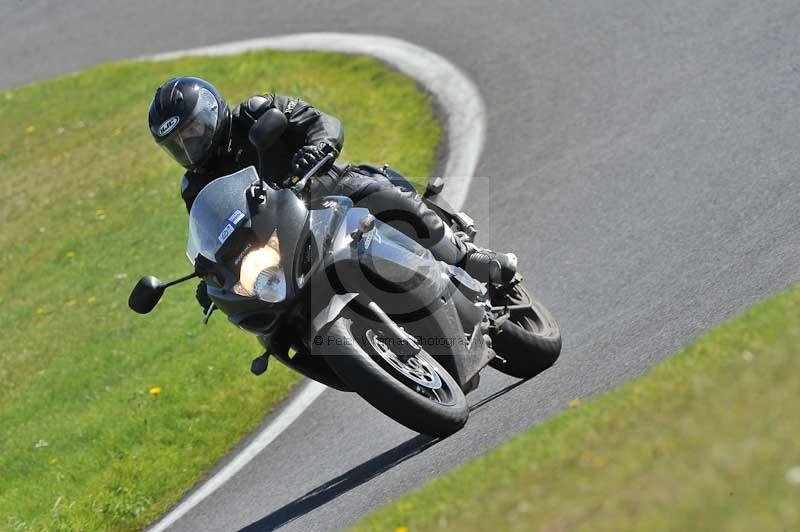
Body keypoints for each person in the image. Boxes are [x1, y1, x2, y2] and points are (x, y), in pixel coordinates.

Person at [147, 76, 517, 313]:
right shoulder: (195, 186)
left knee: (373, 191)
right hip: (282, 240)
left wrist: (317, 148)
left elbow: (321, 123)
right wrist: (212, 277)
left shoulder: (255, 113)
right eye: (176, 142)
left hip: (322, 189)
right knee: (265, 307)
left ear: (212, 112)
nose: (188, 143)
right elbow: (212, 232)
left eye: (192, 129)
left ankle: (465, 255)